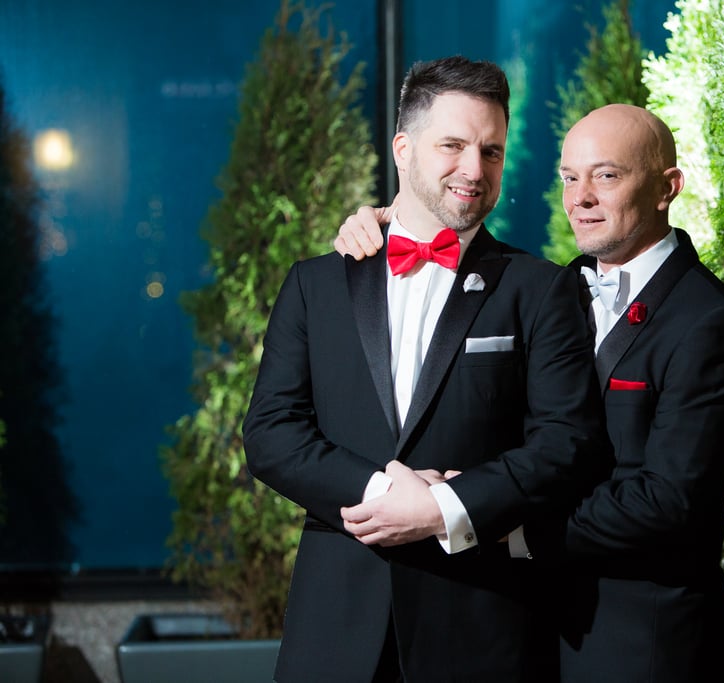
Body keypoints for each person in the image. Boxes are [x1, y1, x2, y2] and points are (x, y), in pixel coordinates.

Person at [334, 103, 724, 682]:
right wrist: (388, 222)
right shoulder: (550, 287)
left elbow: (667, 504)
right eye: (568, 177)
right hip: (524, 635)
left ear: (668, 188)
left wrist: (487, 519)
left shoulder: (709, 322)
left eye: (606, 176)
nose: (580, 197)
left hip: (642, 643)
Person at [242, 56, 608, 683]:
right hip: (334, 632)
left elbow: (567, 444)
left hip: (481, 629)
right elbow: (271, 434)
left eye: (491, 152)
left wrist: (444, 508)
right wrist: (385, 495)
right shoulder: (314, 285)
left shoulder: (540, 288)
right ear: (403, 149)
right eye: (453, 145)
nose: (474, 169)